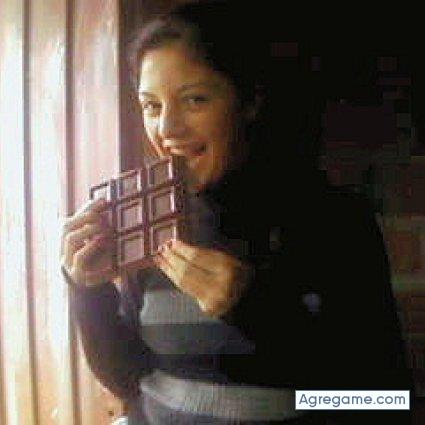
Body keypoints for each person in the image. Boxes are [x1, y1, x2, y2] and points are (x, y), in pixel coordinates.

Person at [60, 2, 414, 424]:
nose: (167, 129)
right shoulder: (149, 222)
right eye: (152, 106)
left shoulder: (334, 222)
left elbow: (383, 400)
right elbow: (127, 380)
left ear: (248, 100)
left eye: (194, 100)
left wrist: (258, 311)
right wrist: (87, 292)